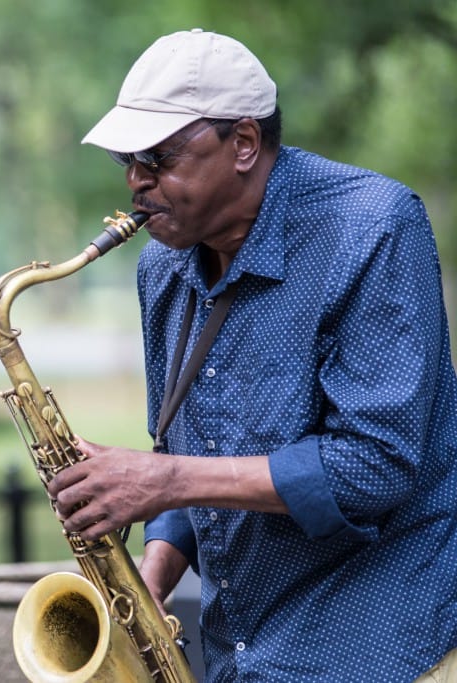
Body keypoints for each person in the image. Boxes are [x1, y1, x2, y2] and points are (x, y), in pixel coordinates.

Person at [46, 28, 457, 682]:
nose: (135, 182)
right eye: (126, 160)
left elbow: (376, 465)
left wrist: (165, 479)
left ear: (242, 143)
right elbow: (190, 452)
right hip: (239, 656)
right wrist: (148, 579)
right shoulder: (161, 268)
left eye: (157, 157)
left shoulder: (374, 226)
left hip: (378, 648)